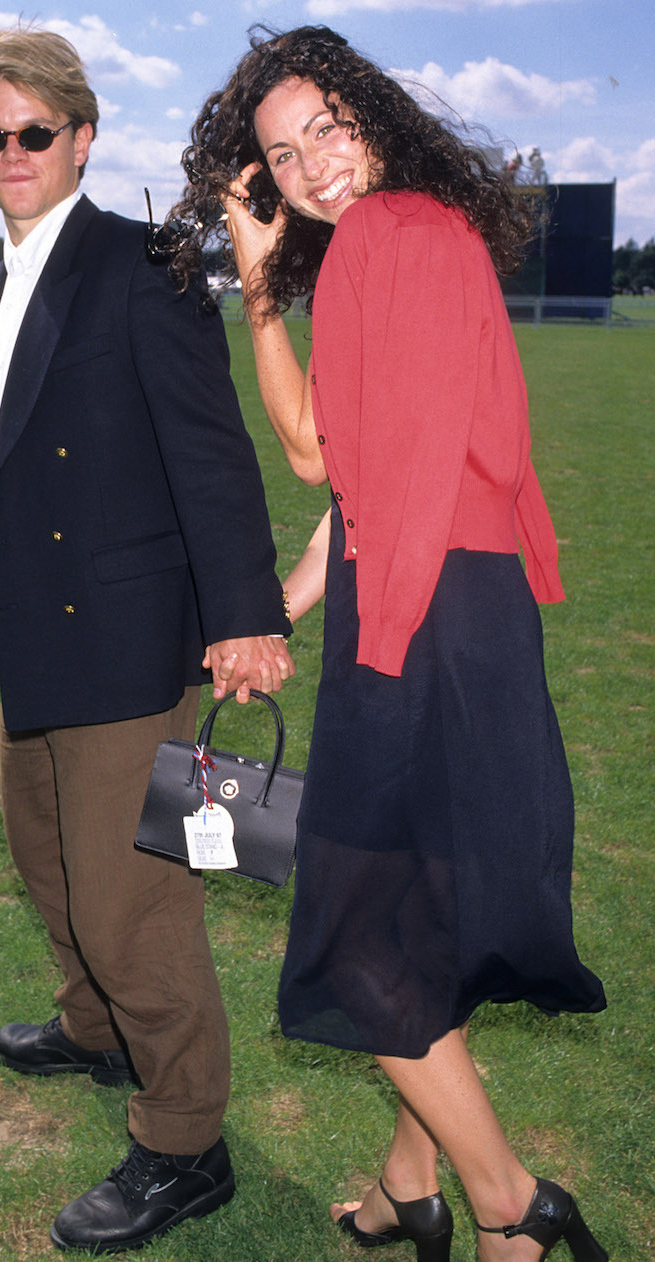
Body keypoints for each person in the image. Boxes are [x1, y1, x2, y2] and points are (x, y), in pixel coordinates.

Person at [172, 25, 608, 1262]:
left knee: (365, 942)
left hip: (422, 625)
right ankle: (402, 1187)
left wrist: (255, 284)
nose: (312, 165)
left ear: (373, 116)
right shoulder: (426, 231)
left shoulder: (387, 234)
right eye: (279, 155)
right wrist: (280, 608)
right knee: (415, 912)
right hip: (446, 605)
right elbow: (366, 487)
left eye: (327, 127)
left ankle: (512, 1206)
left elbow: (315, 451)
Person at [0, 26, 294, 1256]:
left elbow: (212, 451)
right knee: (47, 859)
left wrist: (243, 616)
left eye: (30, 131)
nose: (7, 154)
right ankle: (93, 1025)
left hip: (125, 632)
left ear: (79, 135)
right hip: (28, 631)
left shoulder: (144, 265)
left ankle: (185, 1142)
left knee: (131, 903)